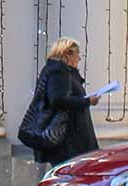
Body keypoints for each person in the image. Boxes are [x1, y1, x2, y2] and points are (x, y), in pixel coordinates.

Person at [32, 38, 99, 169]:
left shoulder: (62, 72)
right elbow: (57, 100)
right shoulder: (58, 72)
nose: (79, 58)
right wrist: (87, 101)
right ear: (67, 54)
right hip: (67, 141)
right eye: (77, 54)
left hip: (70, 138)